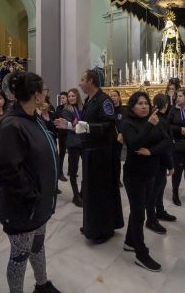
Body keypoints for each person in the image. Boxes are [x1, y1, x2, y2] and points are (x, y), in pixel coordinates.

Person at [0, 72, 61, 293]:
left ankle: (42, 285)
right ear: (36, 95)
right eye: (44, 90)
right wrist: (32, 195)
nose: (45, 94)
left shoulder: (34, 118)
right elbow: (7, 169)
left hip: (39, 204)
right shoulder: (12, 125)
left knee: (38, 245)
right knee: (20, 255)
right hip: (23, 207)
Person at [55, 70, 124, 243]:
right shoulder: (89, 101)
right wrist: (70, 126)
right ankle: (92, 225)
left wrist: (84, 127)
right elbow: (83, 126)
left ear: (91, 81)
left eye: (82, 80)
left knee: (100, 193)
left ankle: (103, 230)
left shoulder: (104, 100)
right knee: (90, 192)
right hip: (90, 152)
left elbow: (109, 125)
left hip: (101, 154)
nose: (80, 83)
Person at [120, 91, 171, 272]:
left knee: (139, 209)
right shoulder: (127, 123)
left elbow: (166, 142)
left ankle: (129, 242)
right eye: (140, 103)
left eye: (146, 103)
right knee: (139, 213)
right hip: (134, 175)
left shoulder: (155, 120)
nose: (144, 106)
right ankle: (141, 254)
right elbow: (134, 144)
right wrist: (149, 125)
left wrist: (151, 152)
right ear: (132, 106)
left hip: (151, 173)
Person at [145, 93, 176, 231]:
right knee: (154, 190)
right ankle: (151, 220)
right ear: (166, 105)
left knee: (159, 188)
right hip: (158, 161)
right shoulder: (161, 121)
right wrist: (170, 165)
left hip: (156, 160)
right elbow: (164, 145)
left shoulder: (154, 118)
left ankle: (160, 211)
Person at [59, 88, 84, 207]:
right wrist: (73, 124)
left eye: (73, 96)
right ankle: (76, 195)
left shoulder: (82, 107)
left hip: (84, 141)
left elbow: (83, 123)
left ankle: (83, 192)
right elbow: (67, 125)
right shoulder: (66, 110)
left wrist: (76, 124)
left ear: (77, 96)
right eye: (69, 96)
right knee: (73, 170)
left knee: (86, 168)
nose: (71, 98)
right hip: (73, 142)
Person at [110, 89, 125, 187]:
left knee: (116, 160)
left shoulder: (123, 110)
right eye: (111, 96)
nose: (113, 98)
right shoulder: (108, 110)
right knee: (109, 160)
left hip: (118, 138)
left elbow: (125, 124)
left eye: (115, 95)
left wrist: (122, 133)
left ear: (119, 97)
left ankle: (117, 179)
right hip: (108, 138)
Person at [55, 92, 69, 183]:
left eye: (63, 98)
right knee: (62, 153)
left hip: (71, 132)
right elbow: (56, 117)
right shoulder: (59, 108)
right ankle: (60, 173)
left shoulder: (71, 107)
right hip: (62, 133)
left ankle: (71, 171)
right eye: (61, 98)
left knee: (72, 152)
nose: (62, 99)